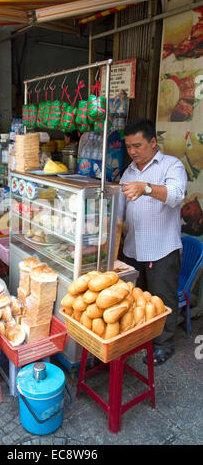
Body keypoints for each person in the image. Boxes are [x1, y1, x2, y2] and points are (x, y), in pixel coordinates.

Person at [118, 119, 187, 365]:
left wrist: (146, 188)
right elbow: (120, 211)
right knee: (138, 300)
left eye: (137, 145)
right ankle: (141, 337)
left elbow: (177, 195)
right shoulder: (128, 172)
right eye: (128, 147)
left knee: (162, 300)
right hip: (133, 249)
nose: (133, 151)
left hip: (162, 250)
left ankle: (163, 345)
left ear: (153, 142)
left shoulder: (172, 166)